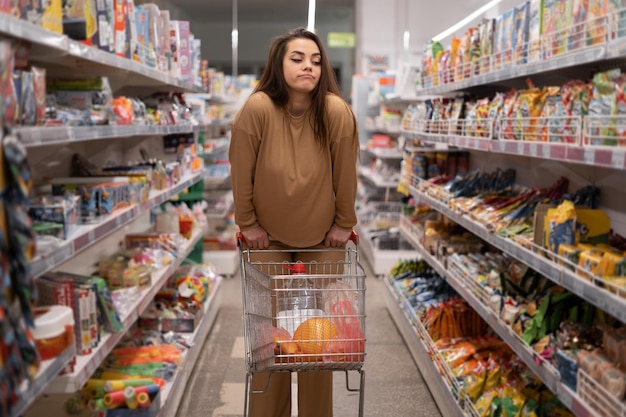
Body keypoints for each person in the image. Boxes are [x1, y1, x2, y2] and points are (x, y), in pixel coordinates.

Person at [229, 27, 360, 417]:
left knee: (318, 341)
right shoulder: (257, 109)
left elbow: (346, 175)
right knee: (272, 341)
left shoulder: (335, 111)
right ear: (278, 63)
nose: (309, 66)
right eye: (297, 58)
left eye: (316, 60)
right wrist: (247, 223)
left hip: (323, 240)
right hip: (265, 240)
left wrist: (343, 223)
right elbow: (241, 170)